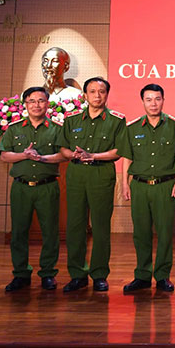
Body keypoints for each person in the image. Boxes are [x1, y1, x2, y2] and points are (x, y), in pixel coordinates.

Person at [119, 84, 175, 293]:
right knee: (140, 233)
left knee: (165, 232)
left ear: (163, 100)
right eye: (149, 99)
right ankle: (142, 275)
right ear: (142, 101)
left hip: (165, 186)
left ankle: (162, 276)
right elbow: (127, 158)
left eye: (157, 99)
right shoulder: (132, 127)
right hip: (140, 186)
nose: (153, 103)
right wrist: (125, 183)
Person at [58, 76, 127, 293]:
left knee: (100, 227)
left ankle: (99, 274)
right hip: (77, 175)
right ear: (85, 95)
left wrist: (94, 155)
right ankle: (77, 274)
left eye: (102, 91)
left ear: (107, 94)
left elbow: (119, 150)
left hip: (101, 175)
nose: (97, 95)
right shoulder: (72, 120)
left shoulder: (117, 121)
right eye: (93, 91)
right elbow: (63, 149)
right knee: (75, 227)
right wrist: (75, 155)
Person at [0, 86, 65, 292]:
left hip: (47, 187)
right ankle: (20, 274)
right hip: (21, 188)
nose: (37, 105)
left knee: (50, 232)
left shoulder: (57, 129)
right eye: (32, 101)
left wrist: (42, 158)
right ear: (25, 104)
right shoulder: (14, 128)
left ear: (47, 104)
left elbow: (63, 155)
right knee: (19, 232)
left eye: (41, 101)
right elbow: (4, 155)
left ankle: (47, 274)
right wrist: (25, 155)